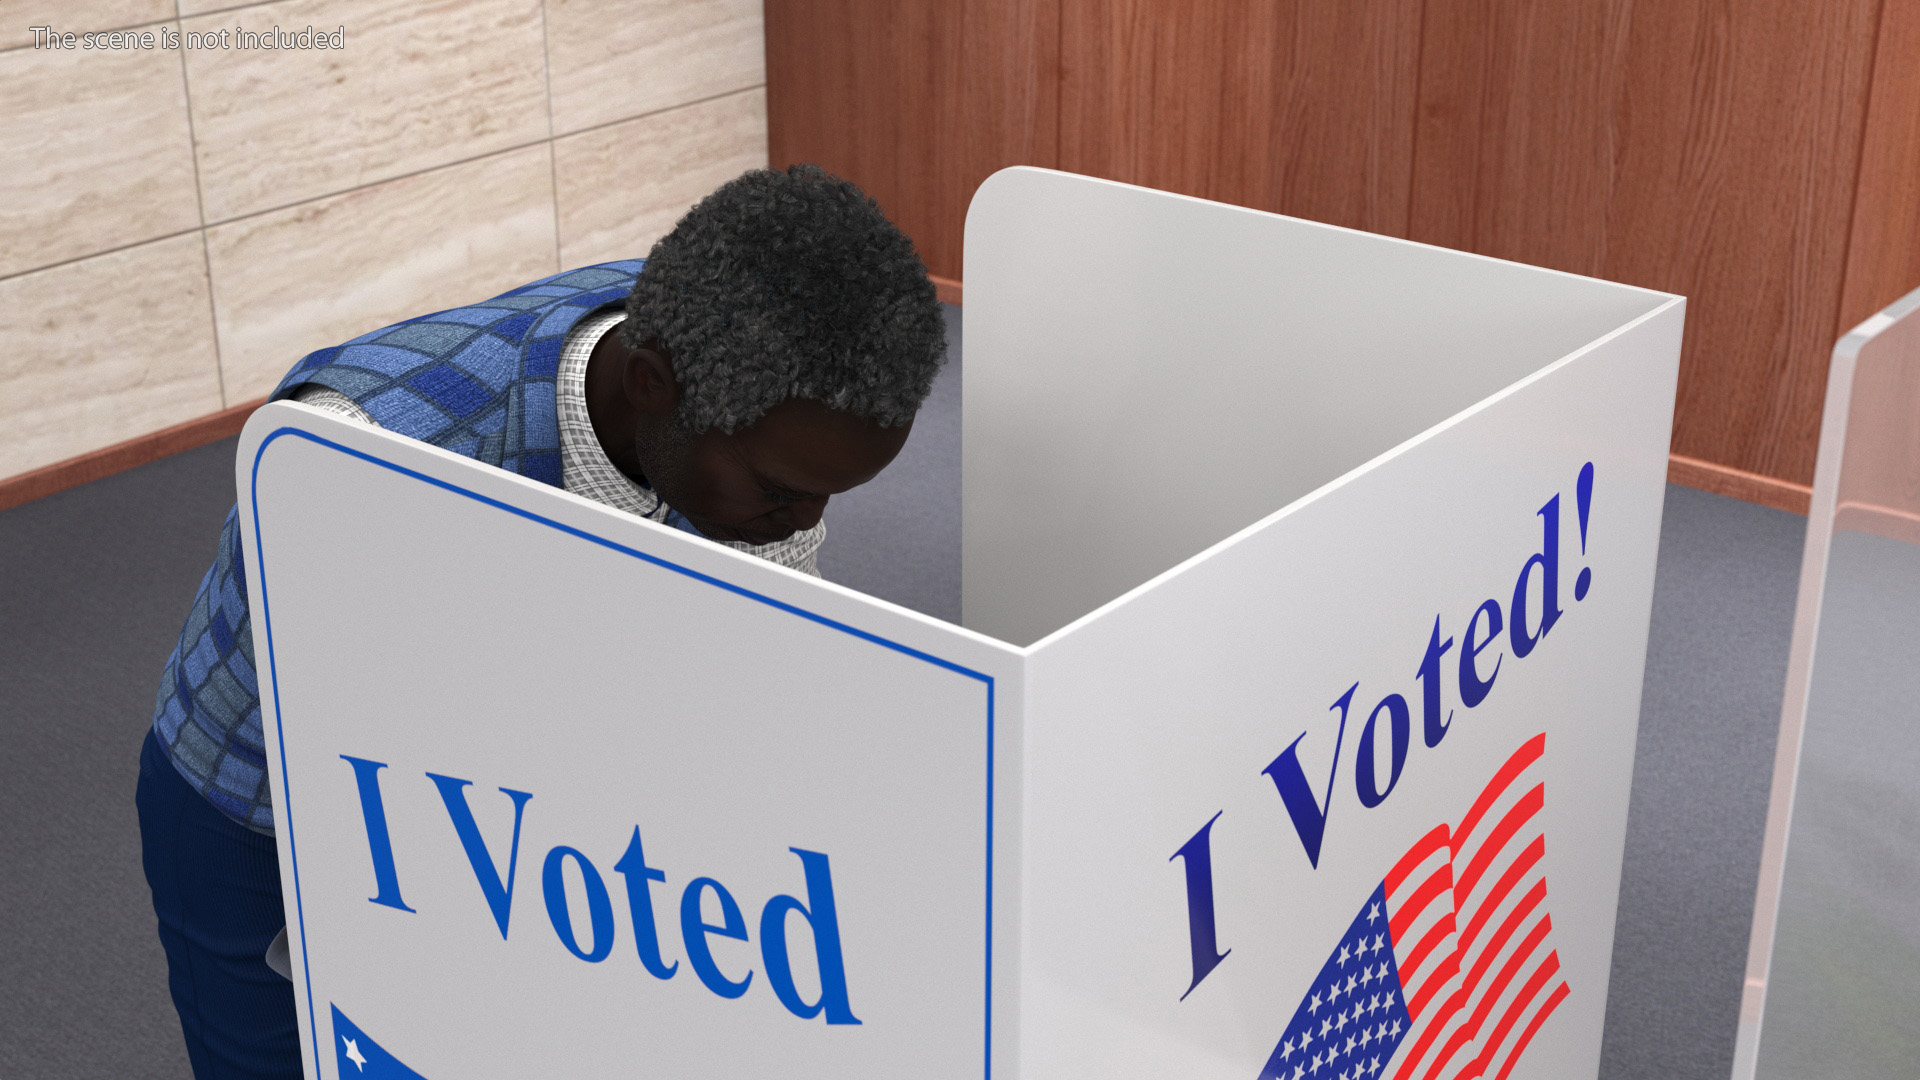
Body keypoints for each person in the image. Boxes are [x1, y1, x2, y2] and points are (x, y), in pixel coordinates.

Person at [136, 164, 948, 1078]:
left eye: (830, 495)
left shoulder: (745, 375)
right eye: (783, 492)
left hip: (510, 775)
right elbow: (373, 760)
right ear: (652, 385)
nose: (806, 524)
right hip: (261, 797)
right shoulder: (366, 457)